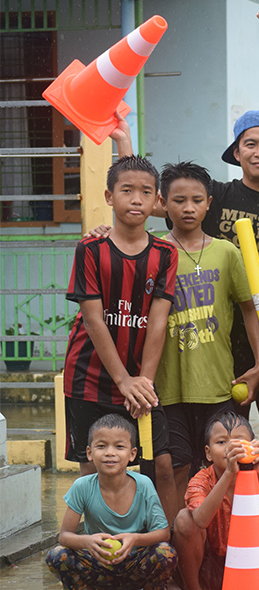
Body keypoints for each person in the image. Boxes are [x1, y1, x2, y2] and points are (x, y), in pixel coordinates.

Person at [105, 109, 259, 434]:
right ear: (236, 152)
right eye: (250, 144)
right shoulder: (217, 195)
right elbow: (142, 199)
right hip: (217, 340)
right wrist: (124, 144)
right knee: (224, 439)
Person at [63, 155, 179, 524]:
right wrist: (123, 381)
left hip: (138, 381)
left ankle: (165, 555)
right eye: (126, 190)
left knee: (158, 466)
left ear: (156, 201)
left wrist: (142, 382)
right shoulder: (90, 250)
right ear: (109, 196)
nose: (136, 199)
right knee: (91, 471)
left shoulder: (165, 253)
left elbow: (157, 323)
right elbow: (94, 321)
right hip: (89, 379)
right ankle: (95, 564)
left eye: (146, 192)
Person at [155, 161, 259, 499]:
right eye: (178, 200)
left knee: (221, 467)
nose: (188, 208)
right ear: (163, 202)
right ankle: (175, 543)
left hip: (218, 386)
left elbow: (250, 308)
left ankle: (218, 544)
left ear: (209, 203)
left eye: (196, 199)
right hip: (168, 387)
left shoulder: (226, 251)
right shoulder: (155, 251)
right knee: (173, 468)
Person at [46, 414, 177, 590]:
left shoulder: (143, 485)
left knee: (166, 553)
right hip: (97, 564)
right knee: (57, 556)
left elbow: (163, 533)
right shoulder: (82, 487)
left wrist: (135, 539)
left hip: (135, 565)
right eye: (101, 446)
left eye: (119, 447)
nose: (110, 453)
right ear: (89, 453)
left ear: (132, 454)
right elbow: (64, 536)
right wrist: (87, 541)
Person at [173, 412, 259, 590]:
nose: (231, 447)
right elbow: (199, 520)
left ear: (253, 446)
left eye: (239, 442)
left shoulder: (256, 477)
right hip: (208, 568)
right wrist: (228, 474)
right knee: (184, 519)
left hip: (247, 563)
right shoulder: (201, 480)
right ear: (208, 454)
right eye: (221, 442)